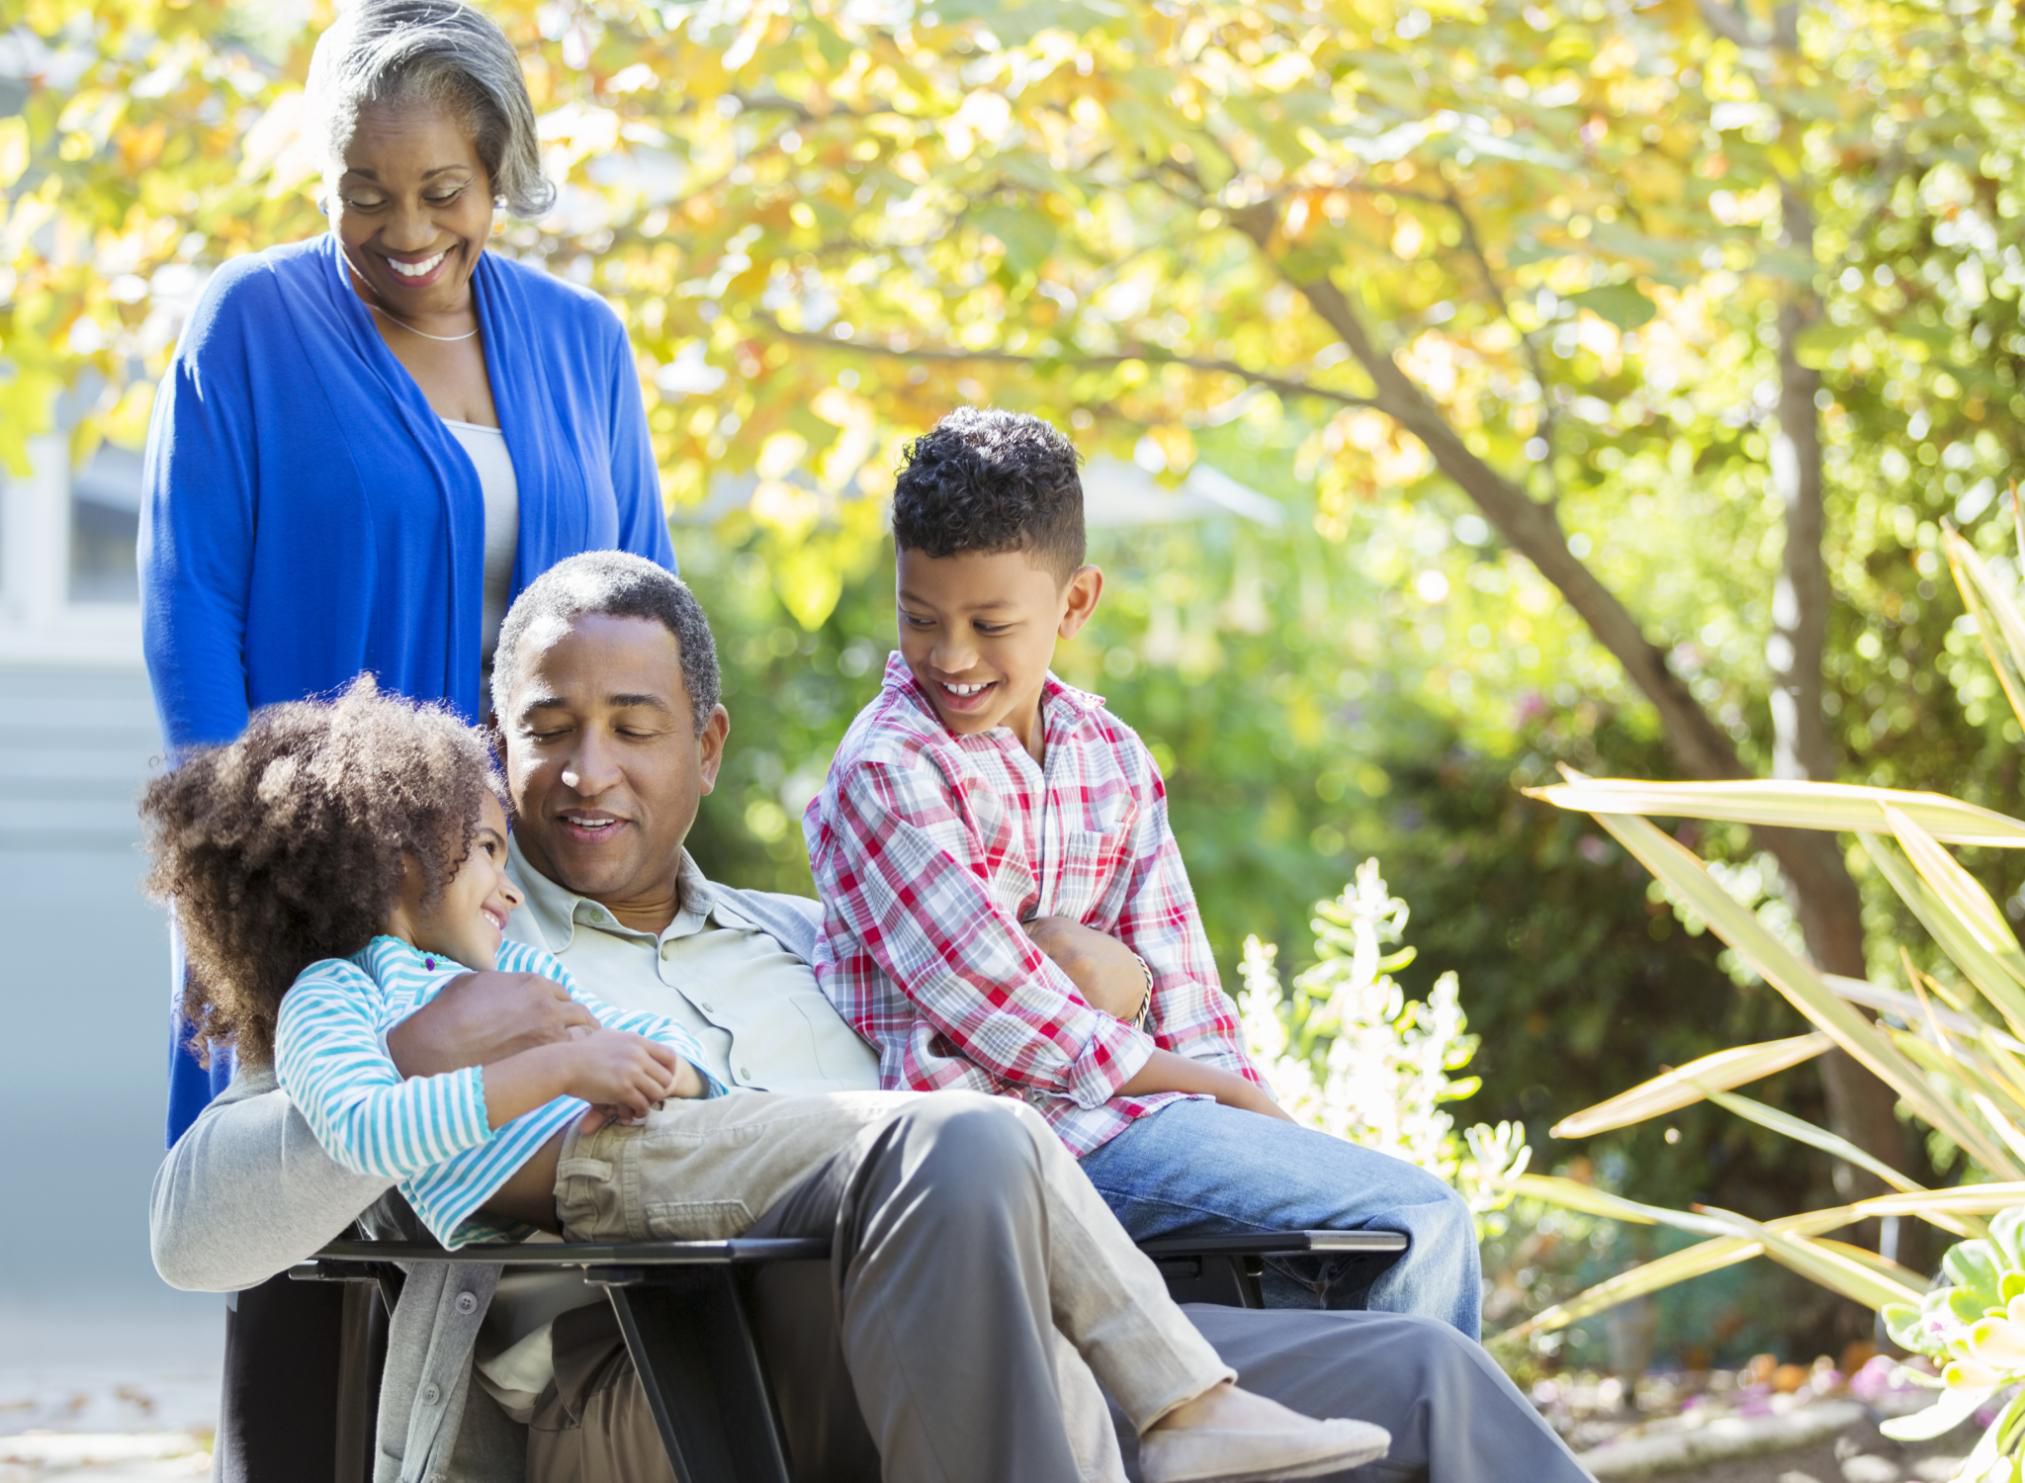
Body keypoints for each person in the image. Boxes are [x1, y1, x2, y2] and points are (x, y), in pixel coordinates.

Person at [150, 551, 1596, 1483]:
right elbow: (195, 1226)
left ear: (706, 747)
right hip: (683, 1381)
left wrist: (1101, 972)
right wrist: (429, 1051)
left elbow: (1012, 1011)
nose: (588, 770)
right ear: (491, 741)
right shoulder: (431, 961)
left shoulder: (822, 943)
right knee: (957, 1147)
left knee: (1426, 1375)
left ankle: (1166, 1407)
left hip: (994, 1334)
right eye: (546, 728)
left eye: (635, 726)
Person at [138, 3, 678, 1472]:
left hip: (528, 882)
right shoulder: (249, 324)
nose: (404, 228)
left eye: (442, 191)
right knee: (315, 1217)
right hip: (324, 886)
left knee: (548, 1243)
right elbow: (189, 612)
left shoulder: (584, 346)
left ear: (499, 172)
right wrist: (247, 889)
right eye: (363, 191)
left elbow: (641, 600)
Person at [803, 408, 1480, 1333]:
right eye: (919, 618)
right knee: (1414, 1218)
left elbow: (1181, 981)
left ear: (1074, 603)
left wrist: (1248, 1106)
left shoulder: (1108, 752)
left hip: (1138, 1118)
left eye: (988, 623)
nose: (949, 656)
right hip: (1009, 1146)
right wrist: (1203, 1084)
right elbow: (1006, 1014)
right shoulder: (891, 769)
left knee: (1347, 1247)